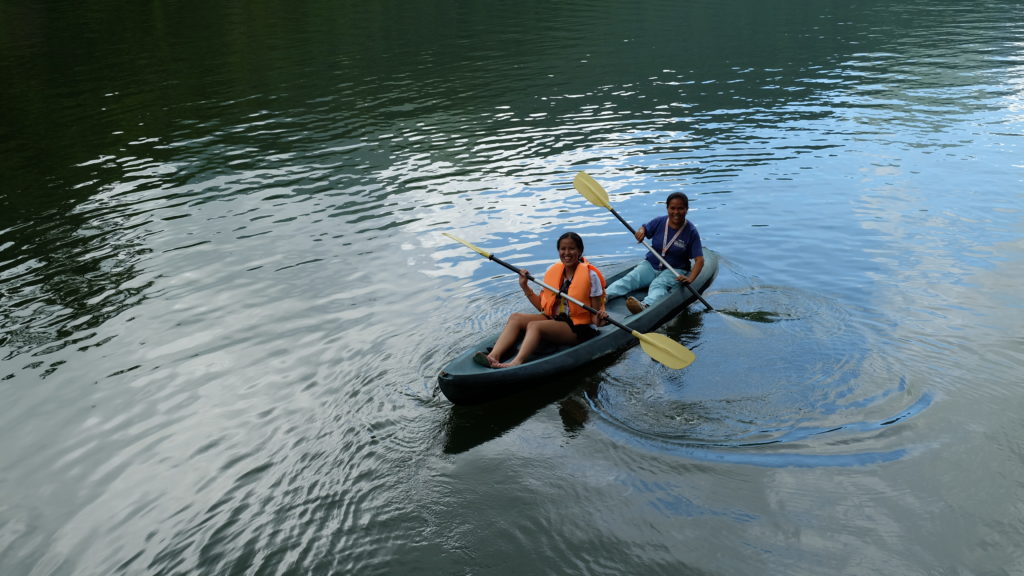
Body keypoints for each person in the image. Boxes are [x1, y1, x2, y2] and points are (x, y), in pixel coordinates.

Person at [475, 232, 607, 369]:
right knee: (516, 317)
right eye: (563, 249)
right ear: (559, 251)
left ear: (579, 251)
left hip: (579, 328)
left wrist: (600, 318)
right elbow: (543, 308)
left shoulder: (591, 276)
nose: (567, 253)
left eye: (572, 248)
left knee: (535, 326)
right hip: (556, 320)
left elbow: (594, 319)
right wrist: (524, 286)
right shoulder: (553, 270)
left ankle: (516, 362)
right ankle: (493, 356)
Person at [605, 191, 704, 314]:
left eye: (680, 208)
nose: (676, 212)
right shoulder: (660, 221)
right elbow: (645, 228)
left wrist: (690, 279)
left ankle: (645, 305)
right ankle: (603, 297)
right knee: (630, 279)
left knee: (658, 285)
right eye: (672, 208)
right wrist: (641, 232)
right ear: (667, 208)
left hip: (674, 269)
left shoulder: (691, 231)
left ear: (687, 209)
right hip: (651, 264)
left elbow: (699, 260)